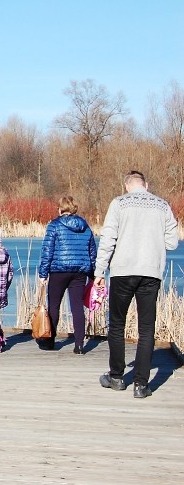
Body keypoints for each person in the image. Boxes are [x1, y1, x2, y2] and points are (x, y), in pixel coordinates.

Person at [94, 171, 179, 399]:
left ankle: (117, 376)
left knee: (117, 324)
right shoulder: (162, 206)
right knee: (146, 329)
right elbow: (172, 241)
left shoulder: (119, 204)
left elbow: (108, 238)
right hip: (151, 272)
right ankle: (141, 385)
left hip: (123, 271)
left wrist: (99, 271)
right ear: (146, 185)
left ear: (126, 186)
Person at [37, 195, 97, 354]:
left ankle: (50, 341)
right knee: (77, 307)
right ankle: (79, 345)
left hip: (58, 270)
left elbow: (47, 251)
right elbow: (92, 252)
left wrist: (43, 273)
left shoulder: (54, 225)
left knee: (54, 306)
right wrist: (93, 274)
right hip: (79, 272)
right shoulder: (85, 227)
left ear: (60, 209)